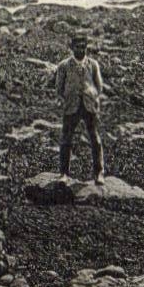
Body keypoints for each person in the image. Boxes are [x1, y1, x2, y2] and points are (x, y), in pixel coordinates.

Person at [55, 32, 105, 184]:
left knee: (95, 139)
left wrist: (91, 96)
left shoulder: (93, 65)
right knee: (66, 139)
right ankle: (64, 173)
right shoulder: (64, 66)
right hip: (71, 106)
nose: (80, 50)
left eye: (83, 47)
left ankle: (99, 173)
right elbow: (59, 87)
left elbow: (99, 86)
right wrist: (70, 97)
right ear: (72, 47)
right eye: (77, 47)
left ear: (86, 47)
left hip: (89, 106)